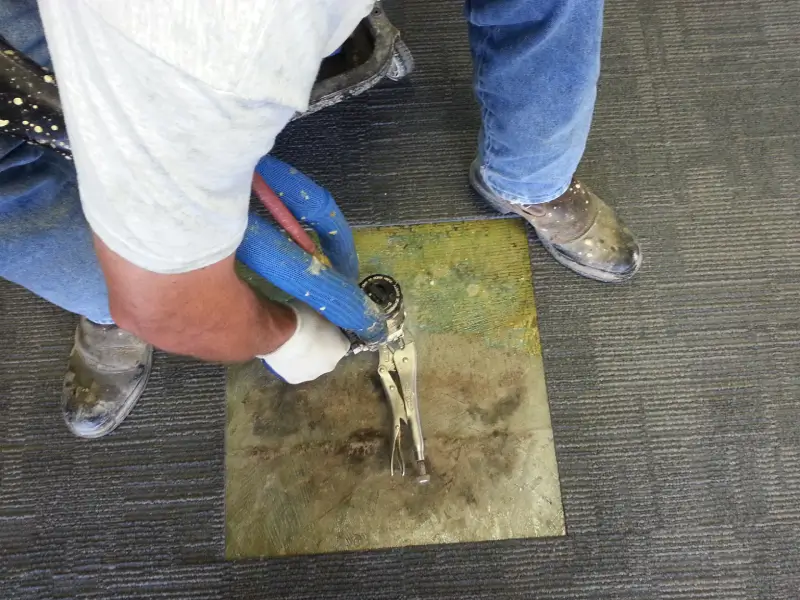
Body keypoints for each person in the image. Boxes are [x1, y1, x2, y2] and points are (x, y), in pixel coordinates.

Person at [0, 0, 640, 439]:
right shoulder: (193, 60)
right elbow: (170, 307)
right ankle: (102, 289)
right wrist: (284, 336)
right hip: (155, 54)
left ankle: (532, 178)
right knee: (33, 193)